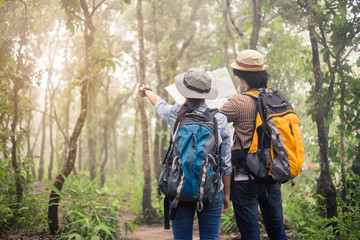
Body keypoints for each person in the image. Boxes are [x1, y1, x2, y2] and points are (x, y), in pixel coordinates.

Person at [138, 67, 232, 240]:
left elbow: (158, 103)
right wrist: (226, 194)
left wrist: (146, 91)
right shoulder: (219, 119)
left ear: (184, 91)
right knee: (210, 237)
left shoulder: (176, 113)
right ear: (206, 93)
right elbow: (226, 163)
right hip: (211, 190)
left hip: (178, 187)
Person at [219, 49, 288, 240]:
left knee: (250, 235)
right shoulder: (277, 98)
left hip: (244, 177)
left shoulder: (238, 101)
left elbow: (213, 120)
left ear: (241, 77)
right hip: (272, 174)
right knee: (276, 230)